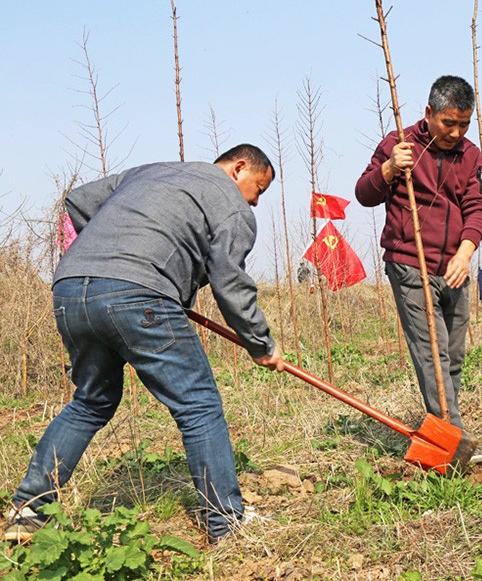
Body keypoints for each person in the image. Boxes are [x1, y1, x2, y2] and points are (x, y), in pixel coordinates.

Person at [5, 145, 286, 544]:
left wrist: (111, 253)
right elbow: (229, 280)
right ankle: (225, 522)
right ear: (239, 167)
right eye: (258, 188)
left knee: (90, 401)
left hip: (70, 289)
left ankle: (29, 510)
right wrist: (261, 343)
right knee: (198, 405)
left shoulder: (151, 171)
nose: (255, 201)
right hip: (138, 295)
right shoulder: (231, 205)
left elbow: (78, 201)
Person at [355, 75, 482, 433]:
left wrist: (464, 254)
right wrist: (389, 169)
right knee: (433, 353)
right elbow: (364, 193)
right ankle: (453, 437)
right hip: (409, 264)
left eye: (464, 124)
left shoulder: (470, 154)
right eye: (449, 123)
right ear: (429, 113)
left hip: (454, 268)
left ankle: (441, 424)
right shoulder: (399, 144)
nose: (457, 132)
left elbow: (477, 207)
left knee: (454, 356)